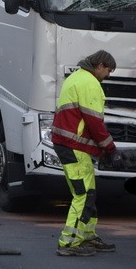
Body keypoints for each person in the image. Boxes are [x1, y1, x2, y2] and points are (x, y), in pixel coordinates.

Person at [52, 49, 121, 256]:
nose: (108, 75)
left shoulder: (77, 77)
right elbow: (94, 122)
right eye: (108, 70)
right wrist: (110, 149)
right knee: (82, 194)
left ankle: (87, 235)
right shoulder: (89, 83)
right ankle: (69, 243)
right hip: (74, 146)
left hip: (70, 144)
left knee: (88, 192)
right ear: (100, 66)